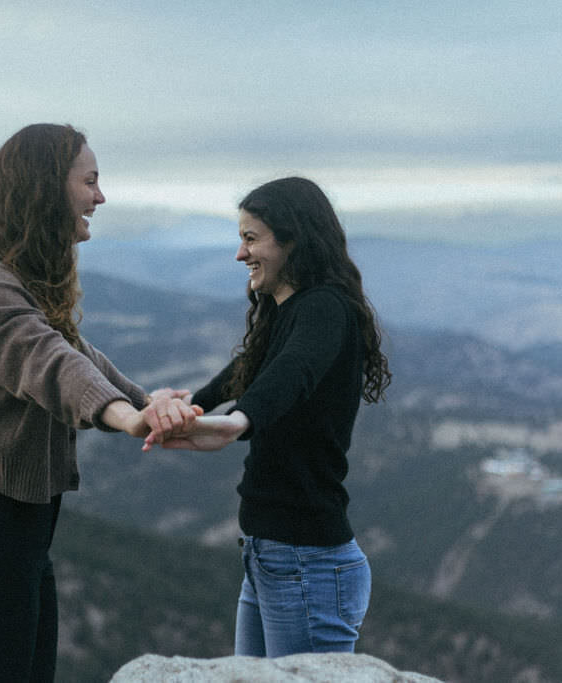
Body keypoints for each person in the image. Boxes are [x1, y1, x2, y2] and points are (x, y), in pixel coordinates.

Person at [0, 123, 199, 682]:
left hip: (22, 543)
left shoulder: (22, 283)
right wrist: (128, 417)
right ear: (47, 187)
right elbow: (47, 362)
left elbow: (80, 356)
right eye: (90, 181)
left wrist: (149, 402)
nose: (100, 197)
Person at [146, 176, 391, 657]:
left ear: (293, 239)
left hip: (308, 563)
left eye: (251, 238)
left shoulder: (325, 308)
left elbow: (292, 374)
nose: (240, 254)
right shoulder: (286, 312)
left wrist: (238, 422)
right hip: (274, 555)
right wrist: (190, 402)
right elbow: (251, 369)